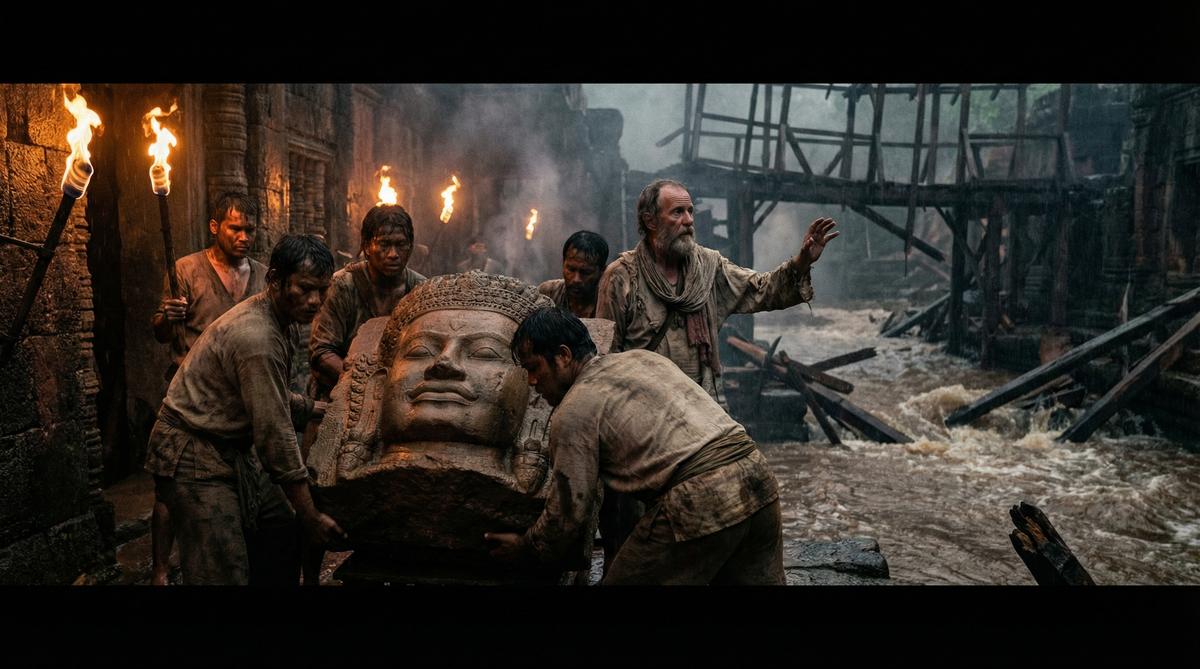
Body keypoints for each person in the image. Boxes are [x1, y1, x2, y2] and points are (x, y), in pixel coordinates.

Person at [485, 307, 785, 584]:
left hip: (702, 496)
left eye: (534, 368)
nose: (532, 381)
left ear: (563, 356)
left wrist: (525, 548)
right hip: (757, 476)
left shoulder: (573, 411)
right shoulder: (645, 359)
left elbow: (567, 517)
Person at [143, 234, 345, 585]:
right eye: (305, 288)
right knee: (222, 569)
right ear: (277, 281)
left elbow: (274, 398)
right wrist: (310, 513)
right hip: (194, 454)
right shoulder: (257, 338)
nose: (315, 301)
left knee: (280, 532)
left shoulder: (282, 319)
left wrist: (325, 409)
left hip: (230, 447)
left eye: (322, 290)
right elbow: (274, 436)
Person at [596, 178, 838, 403]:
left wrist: (802, 261)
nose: (689, 220)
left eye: (691, 211)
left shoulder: (709, 266)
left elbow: (761, 289)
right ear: (650, 221)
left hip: (700, 408)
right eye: (678, 212)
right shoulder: (621, 277)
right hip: (645, 411)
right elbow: (604, 360)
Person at [147, 192, 266, 586]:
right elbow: (162, 333)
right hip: (190, 396)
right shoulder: (186, 269)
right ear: (215, 227)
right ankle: (161, 569)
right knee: (169, 491)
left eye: (250, 229)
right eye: (235, 228)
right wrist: (167, 315)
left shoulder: (263, 277)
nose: (244, 236)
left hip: (237, 404)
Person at [308, 204, 426, 406]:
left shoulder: (420, 290)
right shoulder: (342, 286)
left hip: (400, 396)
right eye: (384, 244)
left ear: (411, 246)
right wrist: (364, 382)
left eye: (400, 244)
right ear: (366, 246)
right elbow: (321, 352)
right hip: (339, 394)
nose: (393, 254)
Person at [537, 230, 609, 318]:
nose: (576, 279)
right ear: (563, 263)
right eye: (571, 269)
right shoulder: (548, 293)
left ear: (602, 271)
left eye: (586, 272)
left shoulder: (610, 302)